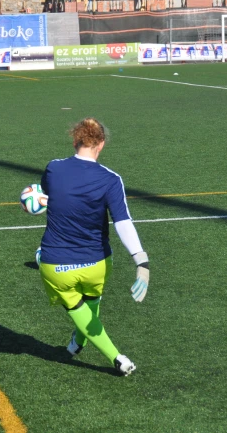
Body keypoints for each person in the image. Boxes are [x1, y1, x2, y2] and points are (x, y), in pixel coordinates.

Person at [38, 118, 150, 376]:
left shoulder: (53, 168)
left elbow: (42, 194)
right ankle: (79, 342)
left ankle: (116, 357)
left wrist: (27, 202)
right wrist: (141, 262)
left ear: (74, 140)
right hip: (97, 264)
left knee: (76, 307)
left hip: (56, 265)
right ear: (101, 144)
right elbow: (123, 223)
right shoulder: (111, 179)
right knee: (90, 303)